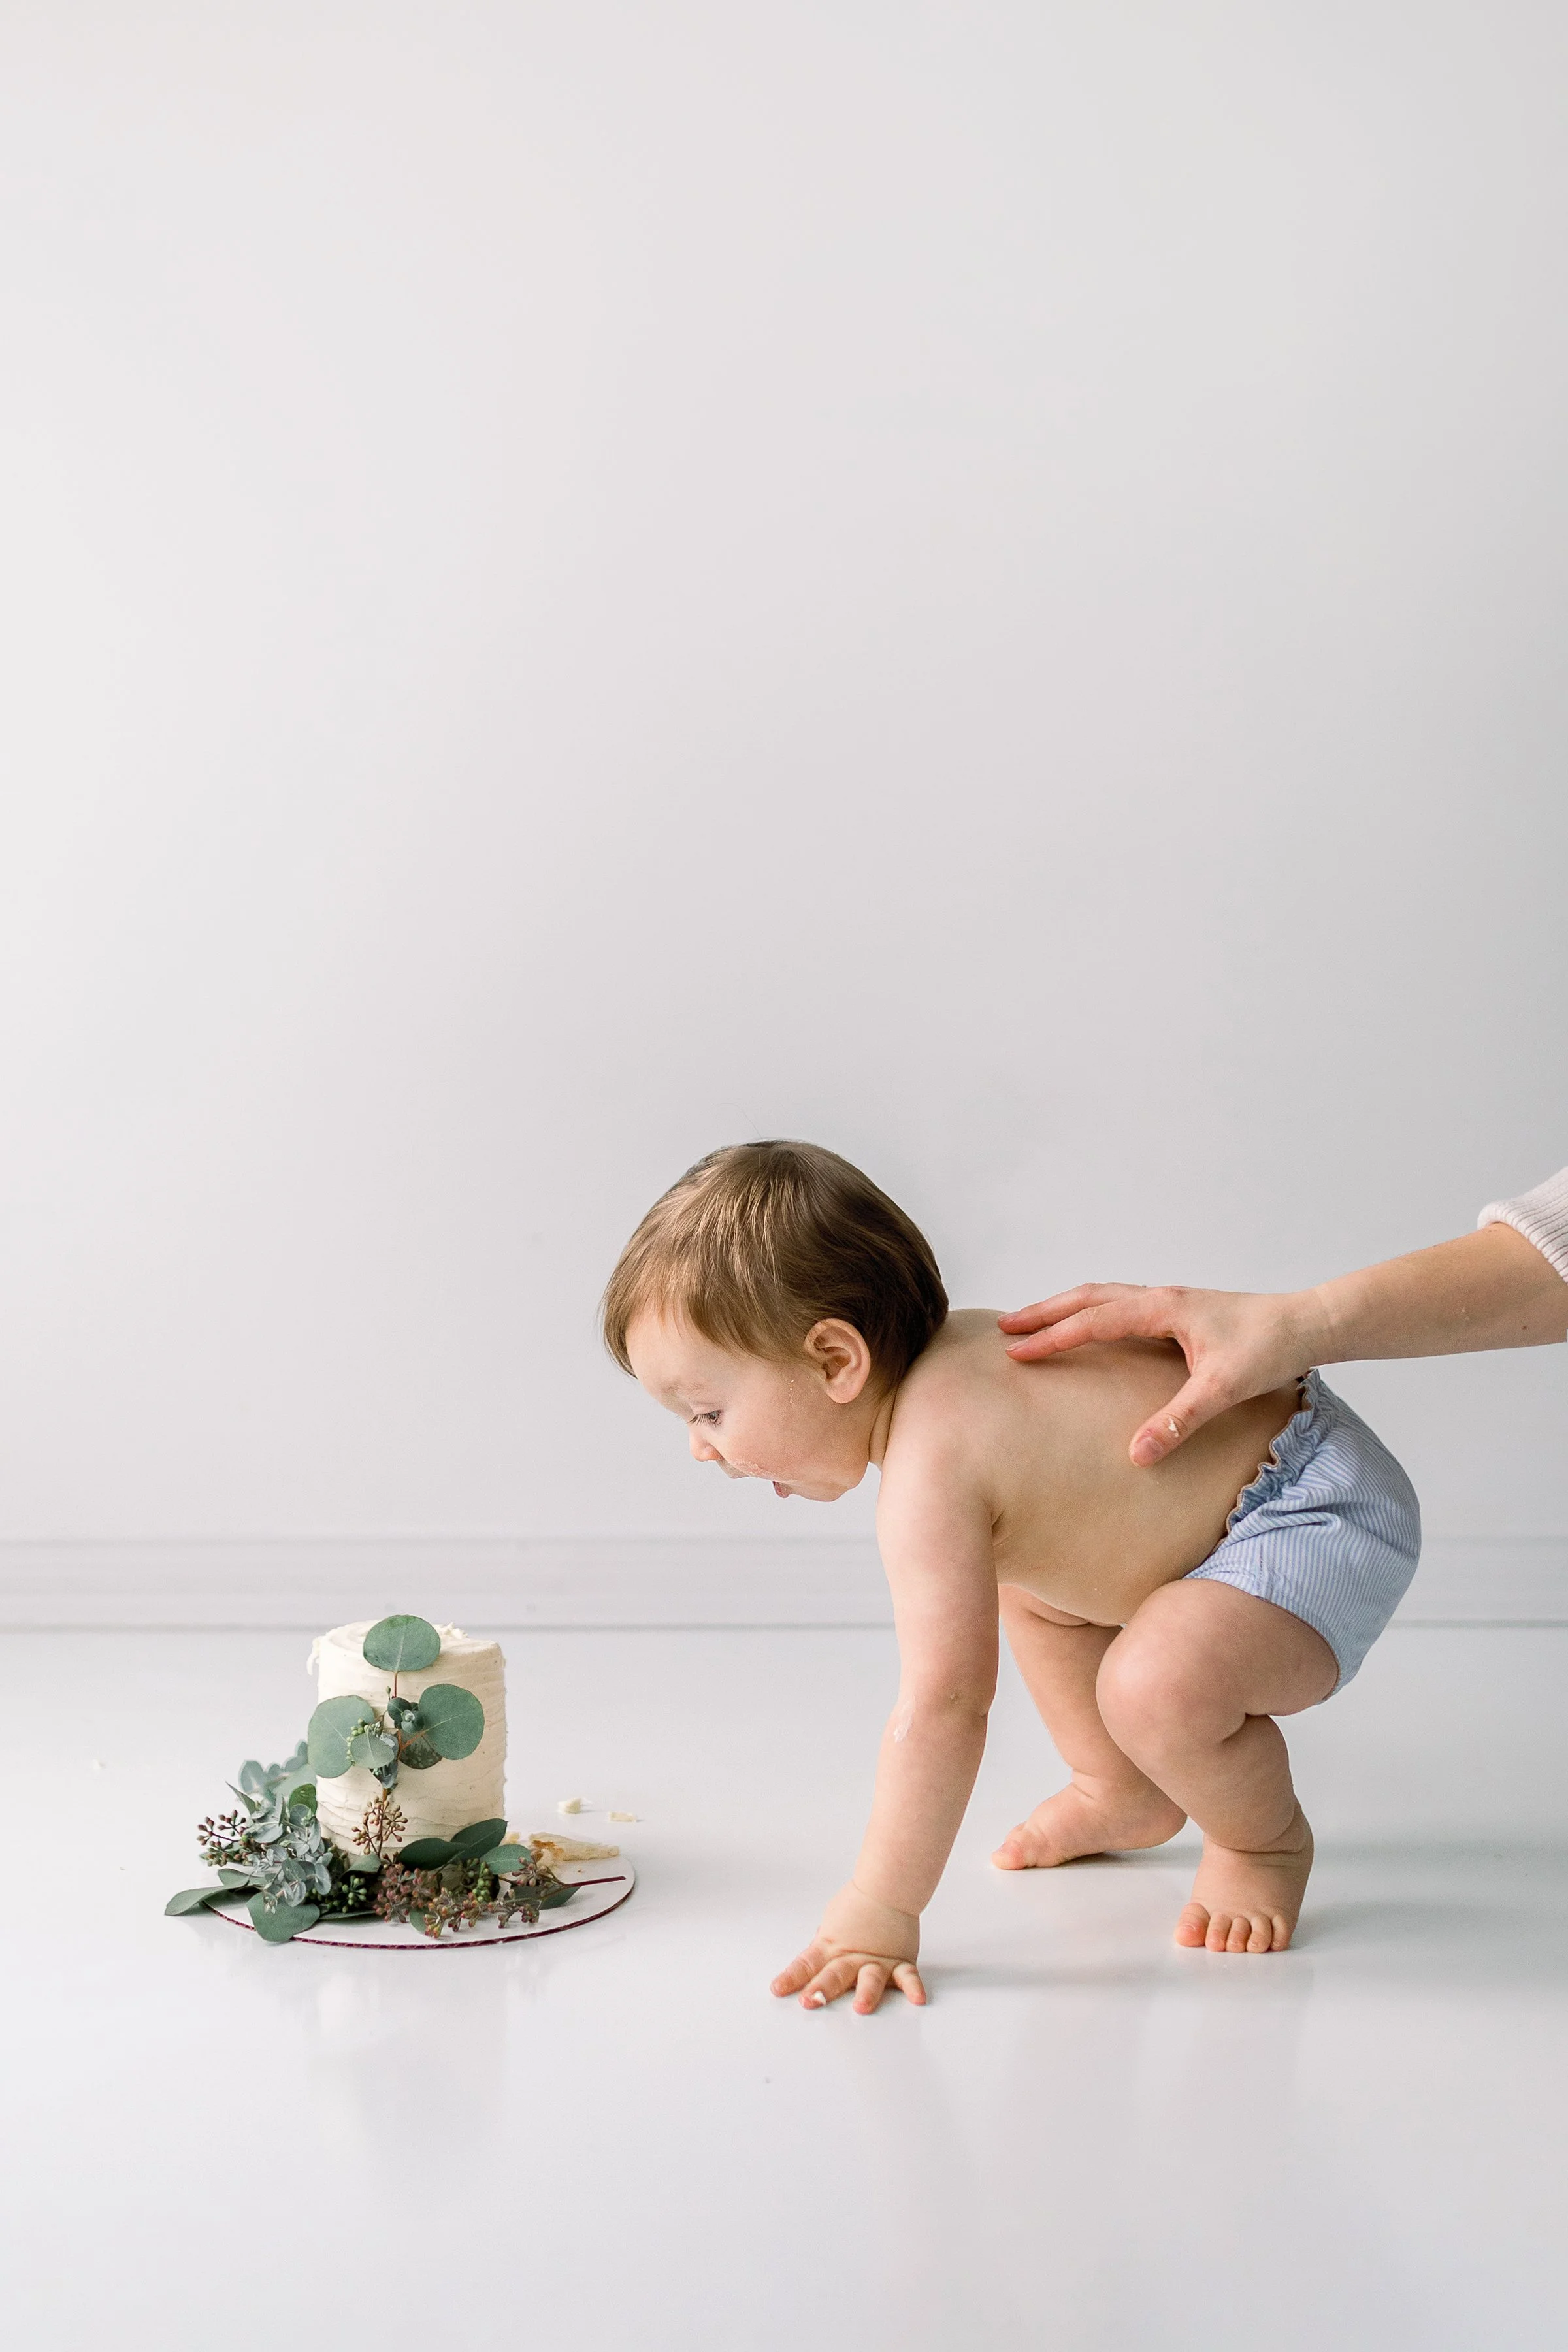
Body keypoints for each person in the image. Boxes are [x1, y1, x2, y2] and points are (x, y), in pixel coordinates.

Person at [601, 1141, 1420, 2010]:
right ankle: (1122, 1788)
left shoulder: (931, 1471)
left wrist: (881, 1905)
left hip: (1313, 1512)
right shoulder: (949, 1362)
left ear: (838, 1361)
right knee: (1030, 1583)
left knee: (1152, 1686)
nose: (702, 1447)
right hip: (1242, 1498)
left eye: (709, 1412)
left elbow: (945, 1706)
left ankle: (1264, 1843)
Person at [999, 1168, 1568, 1466]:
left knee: (1145, 1679)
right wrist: (1299, 1324)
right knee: (1040, 1595)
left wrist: (1302, 1323)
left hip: (1300, 1500)